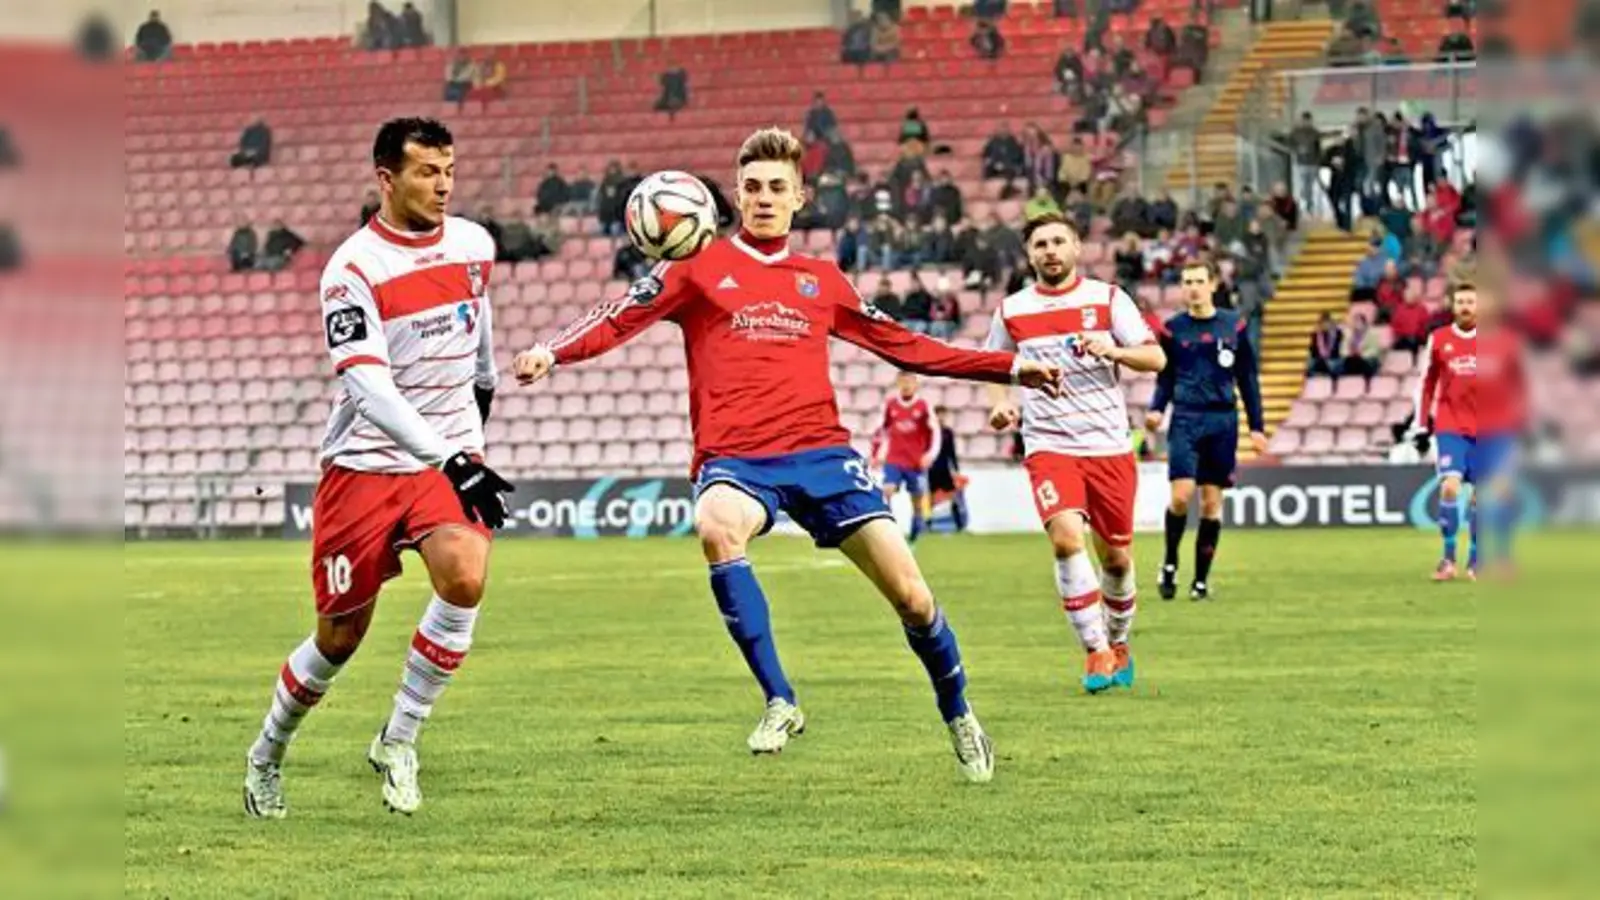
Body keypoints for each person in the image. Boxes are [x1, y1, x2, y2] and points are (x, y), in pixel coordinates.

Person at [512, 127, 1064, 782]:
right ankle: (779, 697)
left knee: (914, 601)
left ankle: (959, 713)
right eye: (751, 187)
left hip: (823, 455)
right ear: (735, 198)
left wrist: (1010, 367)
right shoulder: (696, 265)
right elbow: (615, 317)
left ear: (800, 196)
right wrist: (553, 350)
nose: (764, 197)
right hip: (737, 459)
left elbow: (910, 348)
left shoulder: (822, 280)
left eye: (777, 187)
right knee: (716, 526)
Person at [241, 118, 512, 820]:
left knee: (465, 576)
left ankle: (399, 738)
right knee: (338, 638)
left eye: (449, 169)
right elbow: (370, 389)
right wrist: (451, 453)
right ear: (385, 179)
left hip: (446, 456)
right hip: (363, 465)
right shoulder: (353, 269)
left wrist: (472, 433)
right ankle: (268, 753)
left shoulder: (475, 245)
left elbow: (478, 340)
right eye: (426, 171)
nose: (444, 184)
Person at [984, 212, 1166, 693]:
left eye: (1058, 241)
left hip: (1108, 446)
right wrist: (1001, 406)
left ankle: (1119, 641)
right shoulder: (1012, 310)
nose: (1050, 250)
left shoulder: (1107, 299)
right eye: (1040, 243)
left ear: (1077, 248)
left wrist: (1113, 350)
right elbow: (993, 368)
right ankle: (1094, 652)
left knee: (1117, 561)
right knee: (1066, 539)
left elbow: (1155, 357)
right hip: (1049, 445)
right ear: (1029, 254)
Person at [1144, 259, 1266, 602]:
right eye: (1187, 282)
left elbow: (1248, 378)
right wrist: (1156, 408)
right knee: (1181, 497)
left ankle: (1200, 581)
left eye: (1199, 280)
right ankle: (1170, 561)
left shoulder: (1234, 326)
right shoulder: (1173, 329)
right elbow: (1165, 377)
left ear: (1212, 284)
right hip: (1185, 418)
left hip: (1222, 421)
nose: (1193, 287)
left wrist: (1256, 426)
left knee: (1212, 504)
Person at [1414, 274, 1523, 581]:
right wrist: (1422, 424)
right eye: (1460, 302)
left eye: (1470, 302)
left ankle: (1478, 561)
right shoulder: (1439, 339)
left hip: (1492, 428)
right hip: (1451, 424)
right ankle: (1448, 560)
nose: (1465, 307)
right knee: (1450, 485)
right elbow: (1426, 383)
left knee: (1485, 495)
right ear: (1453, 305)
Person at [871, 371, 939, 542]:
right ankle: (890, 533)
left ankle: (915, 535)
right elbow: (880, 430)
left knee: (916, 502)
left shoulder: (923, 406)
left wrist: (930, 455)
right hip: (894, 460)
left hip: (915, 462)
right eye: (902, 382)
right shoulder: (890, 405)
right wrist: (875, 454)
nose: (906, 385)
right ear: (897, 384)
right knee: (887, 491)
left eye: (909, 381)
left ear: (916, 384)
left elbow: (935, 432)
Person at [927, 405, 968, 532]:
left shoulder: (948, 432)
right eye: (938, 415)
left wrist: (955, 469)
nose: (940, 417)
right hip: (931, 470)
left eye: (942, 415)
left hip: (945, 469)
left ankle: (960, 525)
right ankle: (927, 525)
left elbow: (952, 452)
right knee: (929, 499)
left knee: (955, 497)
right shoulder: (928, 433)